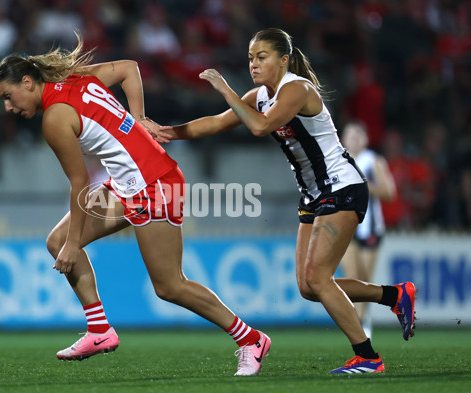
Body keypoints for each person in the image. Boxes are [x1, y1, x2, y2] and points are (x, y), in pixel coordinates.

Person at [0, 36, 270, 377]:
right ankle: (99, 331)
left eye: (8, 96)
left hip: (154, 184)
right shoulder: (76, 79)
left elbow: (79, 184)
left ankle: (251, 339)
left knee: (170, 286)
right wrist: (137, 117)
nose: (8, 106)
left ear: (27, 82)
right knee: (56, 240)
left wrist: (73, 244)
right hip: (127, 185)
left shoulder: (54, 118)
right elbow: (128, 68)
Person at [154, 28, 416, 374]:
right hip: (313, 195)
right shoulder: (261, 95)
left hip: (342, 187)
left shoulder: (297, 89)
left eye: (261, 57)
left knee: (319, 278)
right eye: (250, 58)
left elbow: (260, 127)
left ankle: (368, 357)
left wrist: (226, 89)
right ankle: (395, 296)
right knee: (309, 287)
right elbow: (217, 123)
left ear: (284, 59)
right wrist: (167, 132)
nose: (254, 64)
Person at [340, 121, 396, 338]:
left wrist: (363, 185)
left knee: (364, 277)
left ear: (365, 139)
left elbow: (389, 192)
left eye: (357, 136)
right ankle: (359, 324)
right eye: (349, 135)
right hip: (346, 225)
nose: (353, 140)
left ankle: (363, 322)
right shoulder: (340, 160)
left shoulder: (373, 161)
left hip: (369, 227)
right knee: (351, 276)